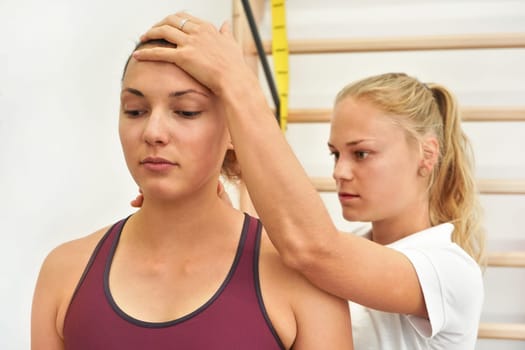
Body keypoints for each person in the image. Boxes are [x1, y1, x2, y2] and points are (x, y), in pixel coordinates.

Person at [132, 12, 486, 349]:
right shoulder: (347, 250)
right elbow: (279, 243)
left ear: (426, 154)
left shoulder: (448, 271)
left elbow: (309, 247)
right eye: (336, 154)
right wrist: (207, 204)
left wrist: (237, 83)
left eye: (361, 153)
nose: (340, 172)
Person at [30, 36, 353, 349]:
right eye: (135, 110)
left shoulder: (303, 279)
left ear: (233, 130)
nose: (153, 132)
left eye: (186, 111)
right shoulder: (64, 271)